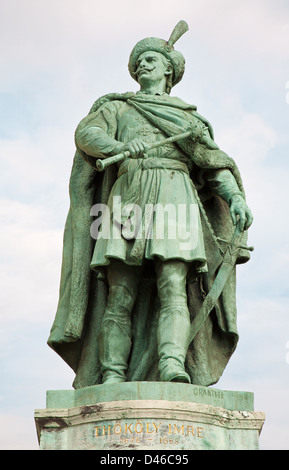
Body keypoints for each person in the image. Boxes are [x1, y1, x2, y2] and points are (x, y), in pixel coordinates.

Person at [48, 21, 253, 389]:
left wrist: (234, 196)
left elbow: (211, 161)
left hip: (177, 196)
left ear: (168, 70)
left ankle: (173, 364)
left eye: (151, 59)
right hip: (128, 196)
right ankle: (112, 372)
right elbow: (87, 133)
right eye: (138, 61)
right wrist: (117, 148)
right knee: (119, 291)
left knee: (173, 284)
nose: (143, 65)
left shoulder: (187, 117)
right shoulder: (118, 108)